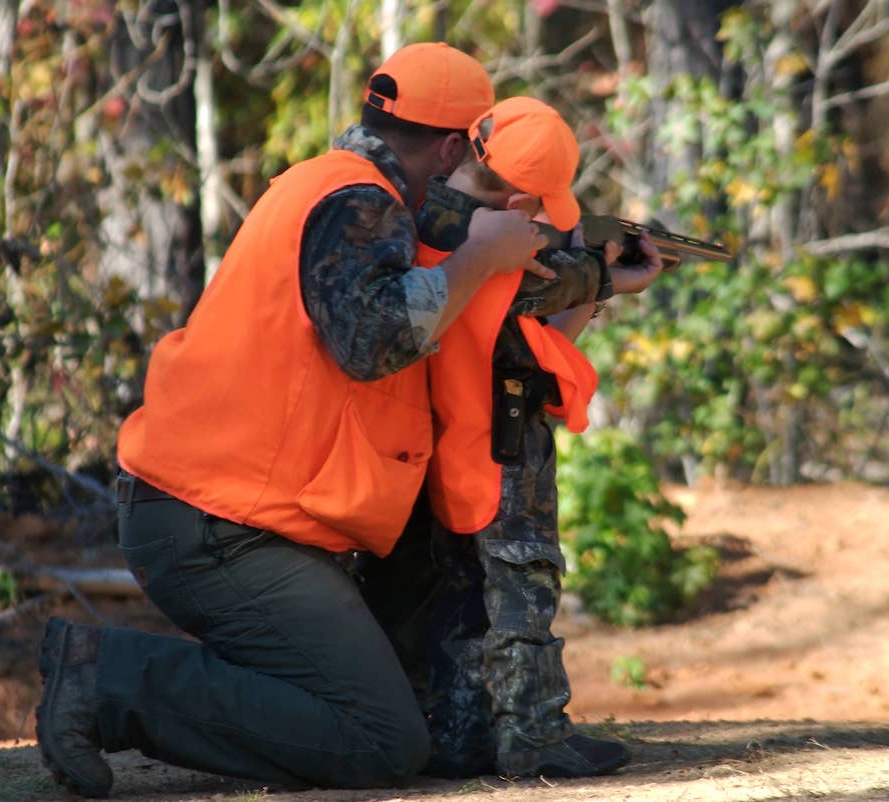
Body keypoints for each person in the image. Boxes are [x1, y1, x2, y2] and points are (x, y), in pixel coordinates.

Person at [34, 42, 555, 798]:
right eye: (478, 157)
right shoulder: (359, 201)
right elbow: (373, 340)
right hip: (219, 528)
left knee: (399, 717)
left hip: (229, 515)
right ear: (450, 148)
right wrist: (478, 257)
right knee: (382, 740)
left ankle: (122, 680)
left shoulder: (329, 184)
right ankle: (109, 679)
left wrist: (586, 282)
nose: (479, 175)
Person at [359, 97, 664, 780]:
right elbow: (548, 305)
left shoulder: (419, 218)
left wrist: (595, 277)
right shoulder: (500, 249)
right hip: (500, 441)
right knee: (525, 586)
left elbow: (531, 327)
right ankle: (534, 733)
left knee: (463, 596)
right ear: (522, 198)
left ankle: (463, 735)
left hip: (440, 446)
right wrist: (604, 275)